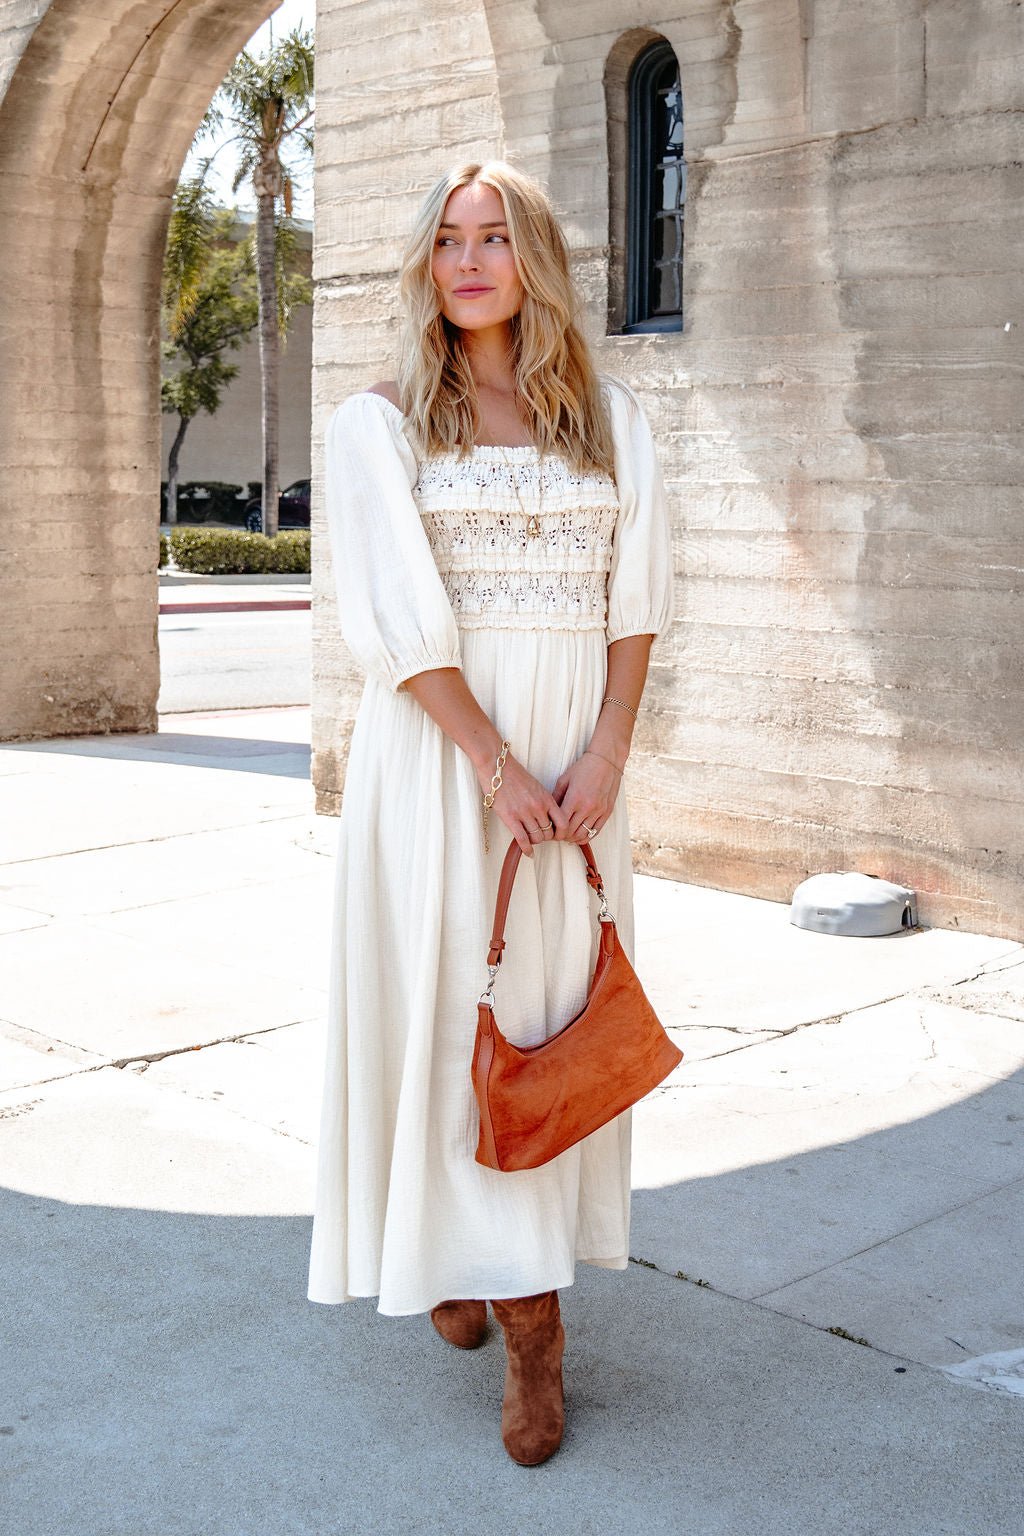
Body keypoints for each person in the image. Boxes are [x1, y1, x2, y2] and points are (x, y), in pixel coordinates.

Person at [308, 160, 673, 1466]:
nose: (469, 261)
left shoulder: (612, 420)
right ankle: (522, 1321)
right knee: (442, 1021)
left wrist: (605, 755)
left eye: (496, 238)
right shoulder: (381, 423)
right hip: (439, 772)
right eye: (449, 240)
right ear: (427, 263)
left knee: (539, 1026)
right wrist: (494, 766)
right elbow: (396, 626)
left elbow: (636, 605)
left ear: (536, 262)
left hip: (575, 778)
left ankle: (519, 1302)